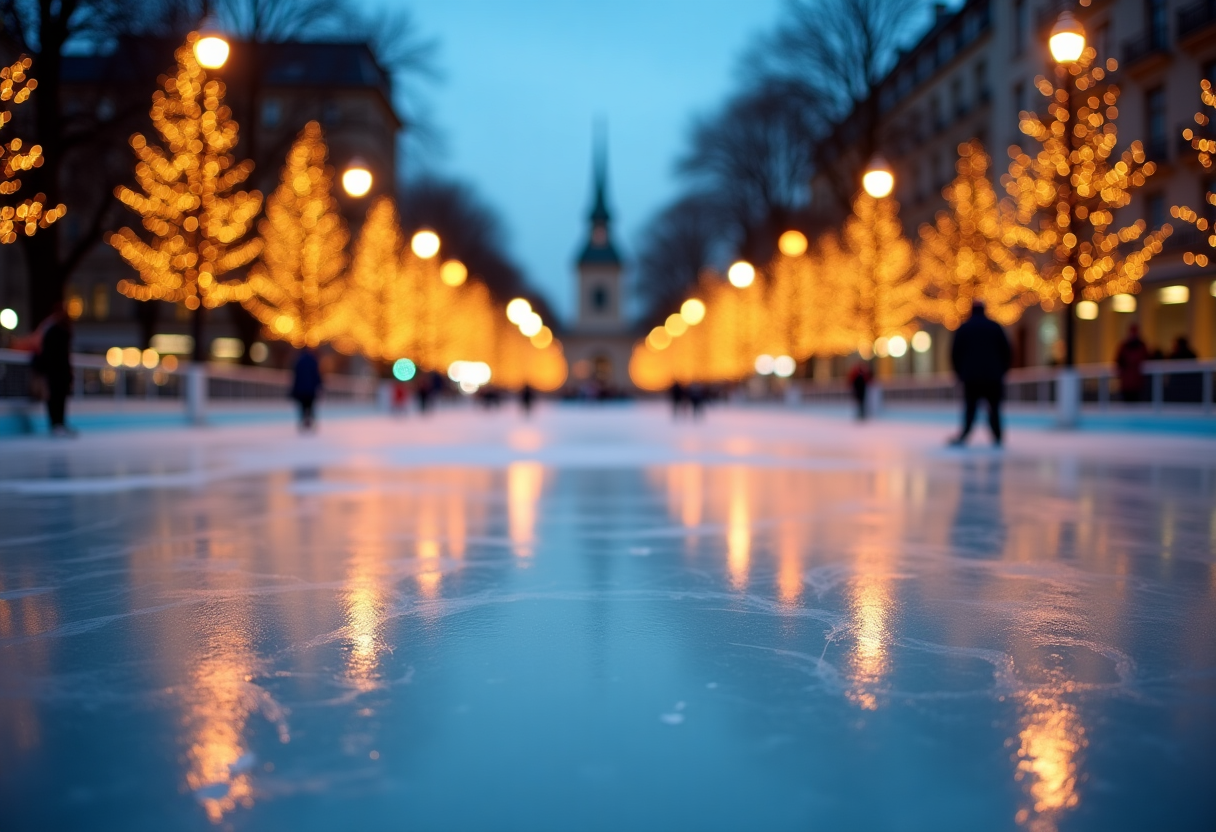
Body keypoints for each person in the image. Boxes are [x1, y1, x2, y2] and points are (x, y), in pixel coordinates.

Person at [949, 300, 1012, 447]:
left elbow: (955, 353)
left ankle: (965, 434)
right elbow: (1007, 351)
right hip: (993, 377)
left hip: (971, 377)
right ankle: (997, 436)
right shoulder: (995, 327)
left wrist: (959, 373)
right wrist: (1002, 371)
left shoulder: (964, 328)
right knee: (994, 408)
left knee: (970, 408)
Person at [31, 305, 75, 436]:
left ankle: (59, 423)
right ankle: (56, 424)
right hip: (54, 371)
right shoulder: (53, 329)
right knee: (55, 397)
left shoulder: (59, 330)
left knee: (59, 398)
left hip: (59, 371)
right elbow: (49, 352)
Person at [1114, 324, 1150, 402]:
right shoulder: (1124, 347)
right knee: (1127, 405)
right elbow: (1118, 362)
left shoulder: (1141, 346)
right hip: (1127, 384)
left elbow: (1147, 360)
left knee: (1137, 404)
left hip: (1138, 384)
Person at [290, 347, 322, 432]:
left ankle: (303, 423)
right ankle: (312, 423)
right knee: (311, 407)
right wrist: (319, 386)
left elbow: (295, 377)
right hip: (311, 390)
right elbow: (316, 375)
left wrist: (294, 389)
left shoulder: (298, 361)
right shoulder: (313, 361)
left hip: (301, 390)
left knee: (303, 407)